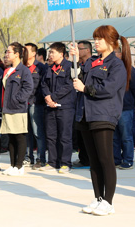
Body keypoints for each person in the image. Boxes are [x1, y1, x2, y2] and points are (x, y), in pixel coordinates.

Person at [72, 25, 130, 216]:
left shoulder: (116, 65)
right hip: (85, 114)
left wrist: (85, 89)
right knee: (94, 160)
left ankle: (108, 202)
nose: (96, 42)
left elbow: (108, 89)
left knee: (106, 159)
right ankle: (98, 198)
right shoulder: (91, 62)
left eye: (100, 39)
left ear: (111, 41)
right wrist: (75, 60)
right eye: (95, 38)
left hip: (103, 115)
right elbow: (78, 79)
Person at [39, 42, 76, 173]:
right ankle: (52, 162)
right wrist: (47, 97)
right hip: (50, 106)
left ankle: (65, 163)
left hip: (65, 107)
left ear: (61, 54)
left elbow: (69, 85)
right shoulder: (49, 68)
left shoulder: (70, 67)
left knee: (65, 136)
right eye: (49, 52)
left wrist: (53, 97)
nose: (50, 55)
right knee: (51, 136)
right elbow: (43, 84)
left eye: (52, 52)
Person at [0, 42, 33, 176]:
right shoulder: (8, 70)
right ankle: (13, 165)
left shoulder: (23, 70)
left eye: (9, 52)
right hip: (7, 108)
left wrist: (17, 99)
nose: (7, 54)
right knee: (11, 137)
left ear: (17, 54)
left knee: (19, 137)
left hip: (18, 108)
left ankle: (19, 165)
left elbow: (28, 88)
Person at [112, 46, 135, 170]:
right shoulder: (109, 68)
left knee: (126, 136)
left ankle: (128, 160)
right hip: (112, 108)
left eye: (114, 53)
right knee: (114, 137)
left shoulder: (129, 69)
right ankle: (116, 159)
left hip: (126, 108)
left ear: (121, 54)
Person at [25, 42, 48, 170]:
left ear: (34, 53)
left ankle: (41, 158)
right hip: (23, 104)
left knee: (37, 132)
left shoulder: (40, 67)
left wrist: (35, 100)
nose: (24, 53)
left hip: (36, 104)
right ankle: (28, 157)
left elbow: (43, 86)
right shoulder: (22, 67)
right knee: (26, 132)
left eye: (27, 50)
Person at [73, 40, 93, 168]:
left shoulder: (93, 64)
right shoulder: (78, 65)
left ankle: (91, 160)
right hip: (79, 104)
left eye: (80, 49)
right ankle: (84, 159)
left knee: (91, 137)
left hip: (91, 104)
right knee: (81, 134)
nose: (78, 51)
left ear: (87, 50)